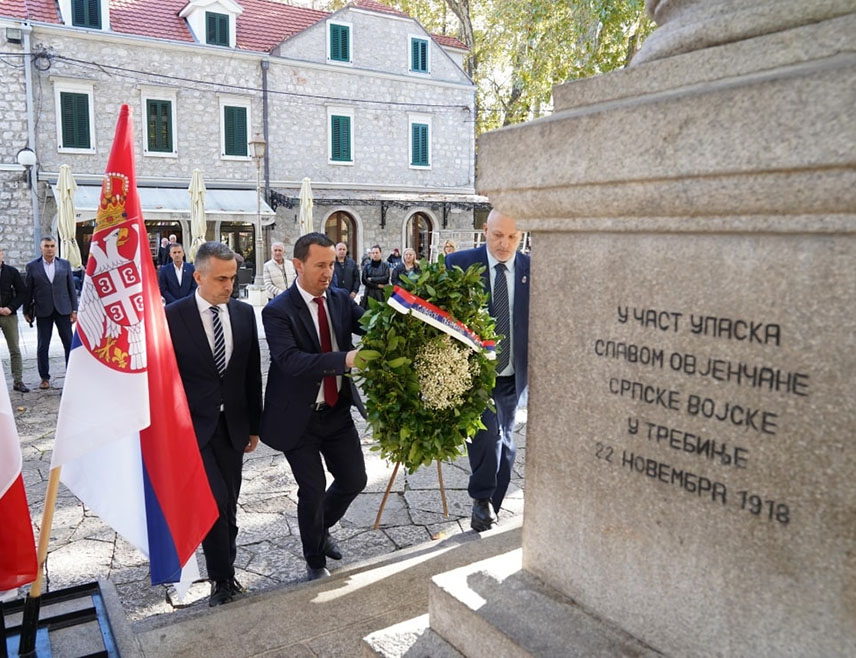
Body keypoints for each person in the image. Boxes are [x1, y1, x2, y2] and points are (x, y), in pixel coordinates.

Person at [260, 232, 366, 581]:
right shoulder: (277, 311)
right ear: (298, 264)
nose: (328, 273)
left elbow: (371, 324)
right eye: (320, 265)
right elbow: (291, 361)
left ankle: (321, 528)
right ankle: (314, 560)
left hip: (336, 412)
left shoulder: (339, 300)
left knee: (354, 479)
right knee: (313, 488)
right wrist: (346, 359)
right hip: (298, 418)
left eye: (332, 264)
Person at [165, 241, 262, 607]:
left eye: (233, 278)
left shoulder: (243, 313)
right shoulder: (174, 317)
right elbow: (166, 379)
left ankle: (226, 571)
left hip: (233, 426)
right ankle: (221, 580)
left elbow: (252, 372)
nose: (229, 286)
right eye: (221, 279)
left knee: (230, 502)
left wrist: (254, 424)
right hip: (192, 428)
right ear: (198, 276)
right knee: (214, 502)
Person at [445, 209, 529, 532]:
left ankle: (489, 506)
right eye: (498, 235)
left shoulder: (531, 269)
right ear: (485, 230)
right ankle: (481, 499)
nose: (505, 244)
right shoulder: (460, 265)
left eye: (512, 237)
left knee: (507, 445)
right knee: (486, 435)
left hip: (511, 375)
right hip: (475, 376)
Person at [24, 236, 78, 390]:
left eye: (52, 246)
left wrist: (75, 309)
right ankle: (44, 377)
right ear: (41, 248)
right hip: (43, 310)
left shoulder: (65, 264)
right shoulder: (32, 266)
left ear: (56, 247)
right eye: (46, 246)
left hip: (63, 309)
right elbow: (29, 291)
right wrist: (26, 310)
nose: (49, 249)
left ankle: (71, 375)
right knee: (43, 345)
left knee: (69, 344)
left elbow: (71, 289)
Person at [0, 248, 29, 392]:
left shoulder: (11, 272)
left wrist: (11, 308)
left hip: (9, 315)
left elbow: (22, 292)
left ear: (2, 253)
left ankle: (18, 381)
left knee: (15, 350)